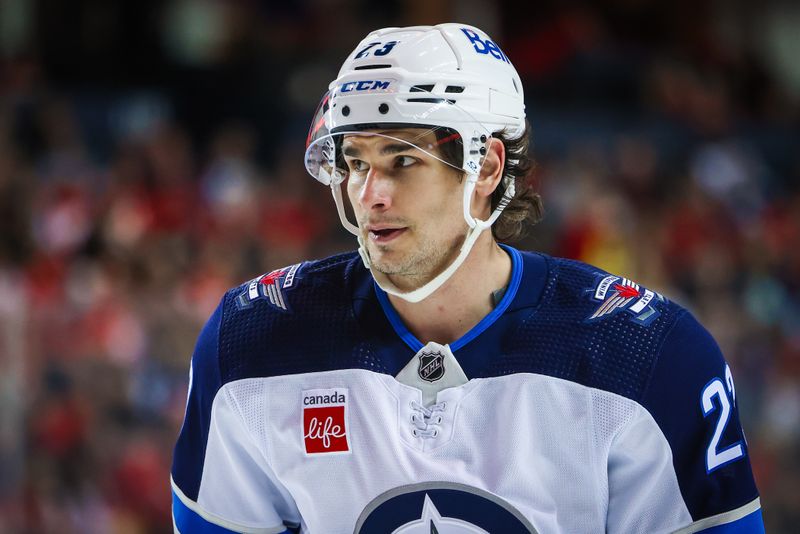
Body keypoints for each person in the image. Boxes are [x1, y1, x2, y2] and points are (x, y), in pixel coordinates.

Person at [170, 24, 764, 533]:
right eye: (355, 162)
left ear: (486, 167)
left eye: (402, 160)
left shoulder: (651, 356)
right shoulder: (252, 342)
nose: (368, 194)